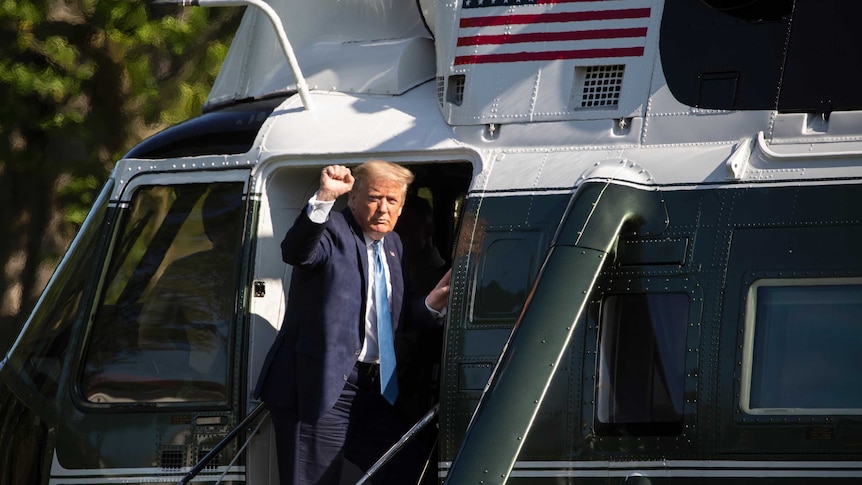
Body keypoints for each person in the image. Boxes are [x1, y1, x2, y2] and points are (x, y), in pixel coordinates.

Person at [255, 161, 451, 484]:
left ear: (402, 209)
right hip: (321, 388)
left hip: (369, 390)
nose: (383, 209)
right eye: (375, 197)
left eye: (392, 201)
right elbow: (297, 252)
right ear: (354, 198)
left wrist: (433, 304)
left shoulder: (393, 245)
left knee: (416, 469)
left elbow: (391, 321)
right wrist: (324, 197)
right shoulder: (332, 230)